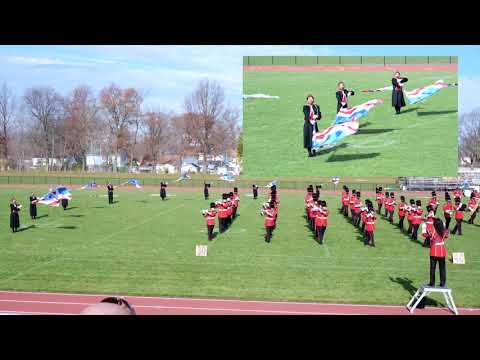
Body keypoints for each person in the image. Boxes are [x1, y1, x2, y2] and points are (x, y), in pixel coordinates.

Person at [428, 218, 449, 288]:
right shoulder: (445, 231)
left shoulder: (432, 230)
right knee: (442, 268)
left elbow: (428, 234)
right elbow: (446, 236)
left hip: (434, 250)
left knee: (432, 268)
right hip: (442, 251)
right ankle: (442, 283)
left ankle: (432, 282)